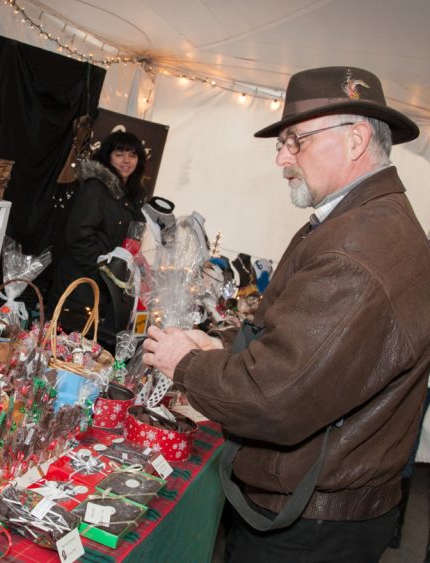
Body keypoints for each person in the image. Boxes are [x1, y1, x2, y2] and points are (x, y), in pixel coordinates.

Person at [142, 66, 430, 562]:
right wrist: (226, 352)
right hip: (326, 503)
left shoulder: (357, 246)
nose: (281, 158)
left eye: (295, 141)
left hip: (311, 522)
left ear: (356, 139)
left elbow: (274, 397)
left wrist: (183, 363)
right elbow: (311, 355)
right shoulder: (364, 221)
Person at [48, 130, 147, 354]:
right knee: (67, 353)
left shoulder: (130, 196)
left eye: (132, 155)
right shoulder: (96, 188)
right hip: (80, 287)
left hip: (103, 293)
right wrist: (104, 275)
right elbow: (78, 237)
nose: (126, 160)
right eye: (119, 153)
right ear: (108, 156)